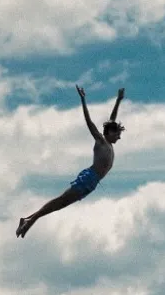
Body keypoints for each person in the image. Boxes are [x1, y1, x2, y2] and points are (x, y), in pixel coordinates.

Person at [16, 85, 125, 238]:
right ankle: (30, 221)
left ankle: (28, 220)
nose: (119, 137)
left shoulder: (108, 143)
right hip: (89, 178)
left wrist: (118, 100)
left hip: (92, 184)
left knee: (60, 205)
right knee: (60, 201)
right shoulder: (101, 141)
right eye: (117, 134)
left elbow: (111, 119)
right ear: (110, 133)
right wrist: (83, 99)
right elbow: (89, 122)